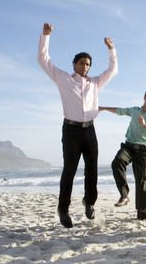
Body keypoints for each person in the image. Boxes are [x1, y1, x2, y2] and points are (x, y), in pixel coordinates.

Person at [37, 22, 118, 228]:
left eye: (88, 64)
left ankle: (89, 203)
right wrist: (46, 35)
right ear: (74, 64)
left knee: (92, 170)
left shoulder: (95, 83)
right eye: (81, 63)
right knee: (70, 170)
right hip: (71, 130)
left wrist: (111, 49)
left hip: (89, 130)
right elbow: (43, 60)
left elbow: (113, 70)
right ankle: (63, 209)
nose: (85, 66)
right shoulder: (63, 78)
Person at [99, 89, 146, 220]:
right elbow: (120, 111)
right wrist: (103, 108)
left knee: (141, 182)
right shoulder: (135, 110)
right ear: (144, 97)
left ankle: (142, 215)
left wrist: (145, 127)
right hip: (129, 145)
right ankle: (124, 196)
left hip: (143, 150)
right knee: (117, 163)